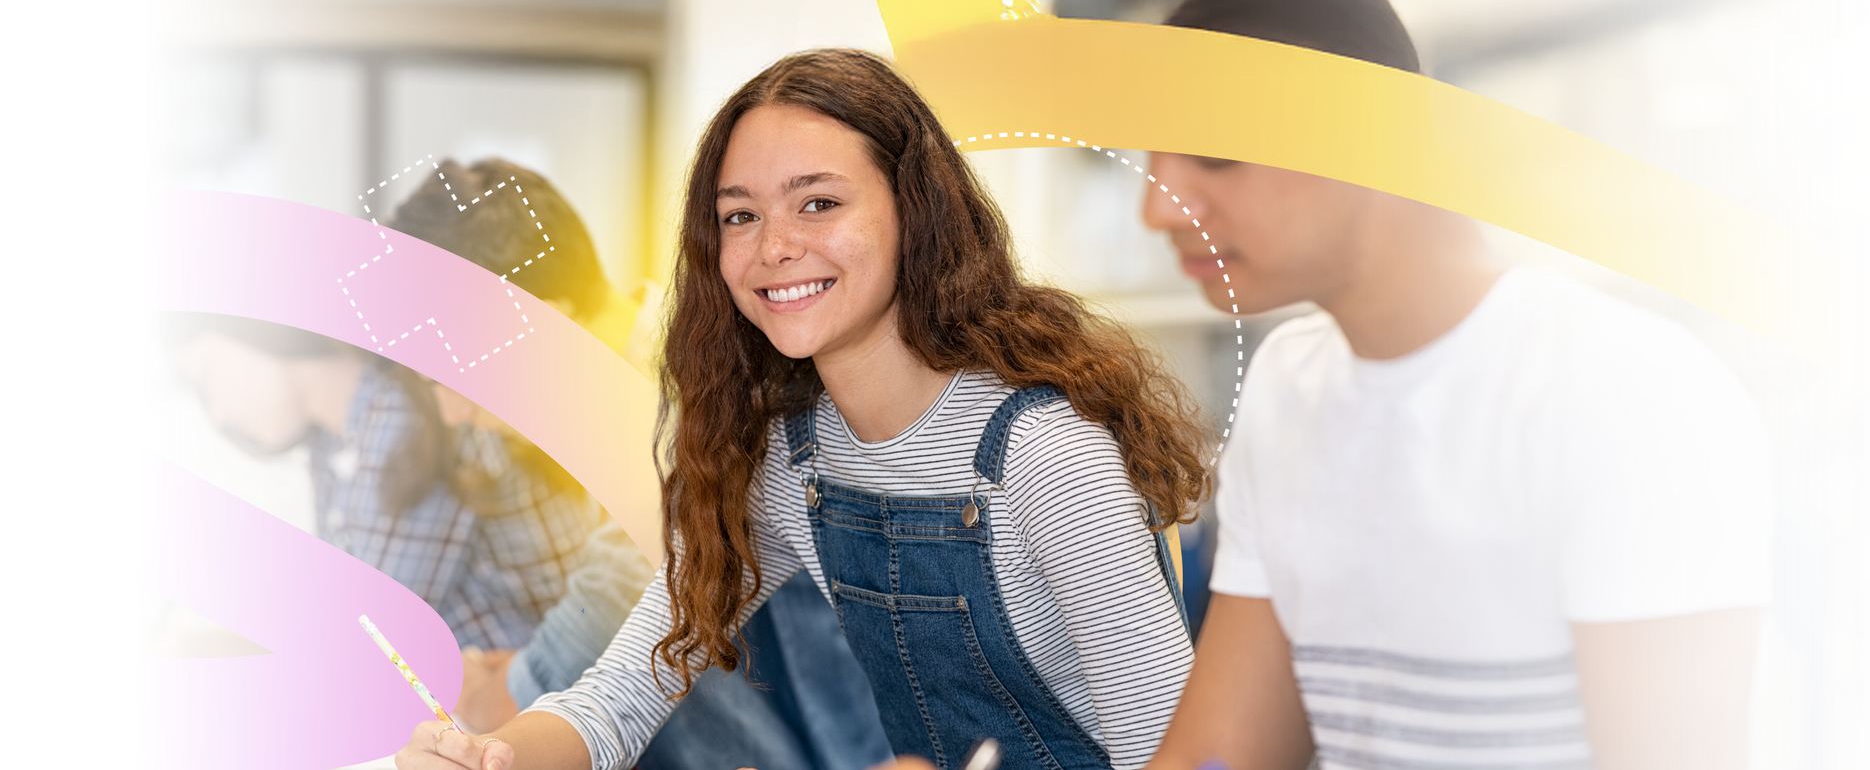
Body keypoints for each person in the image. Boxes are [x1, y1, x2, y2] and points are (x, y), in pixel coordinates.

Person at [399, 48, 1213, 770]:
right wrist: (492, 756)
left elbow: (1177, 753)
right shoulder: (786, 461)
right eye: (740, 215)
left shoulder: (1042, 453)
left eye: (818, 202)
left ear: (914, 209)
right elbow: (617, 697)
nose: (773, 246)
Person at [1132, 0, 1775, 770]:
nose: (1159, 205)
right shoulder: (1289, 388)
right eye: (1152, 159)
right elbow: (1220, 758)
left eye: (1211, 150)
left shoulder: (1628, 391)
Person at [389, 158, 893, 770]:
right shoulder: (639, 374)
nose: (450, 412)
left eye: (450, 374)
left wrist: (508, 689)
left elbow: (626, 583)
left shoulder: (699, 384)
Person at [152, 310, 599, 653]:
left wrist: (203, 647)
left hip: (544, 710)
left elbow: (360, 642)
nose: (218, 414)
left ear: (252, 321)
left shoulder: (409, 416)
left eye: (204, 375)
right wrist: (197, 647)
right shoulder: (335, 448)